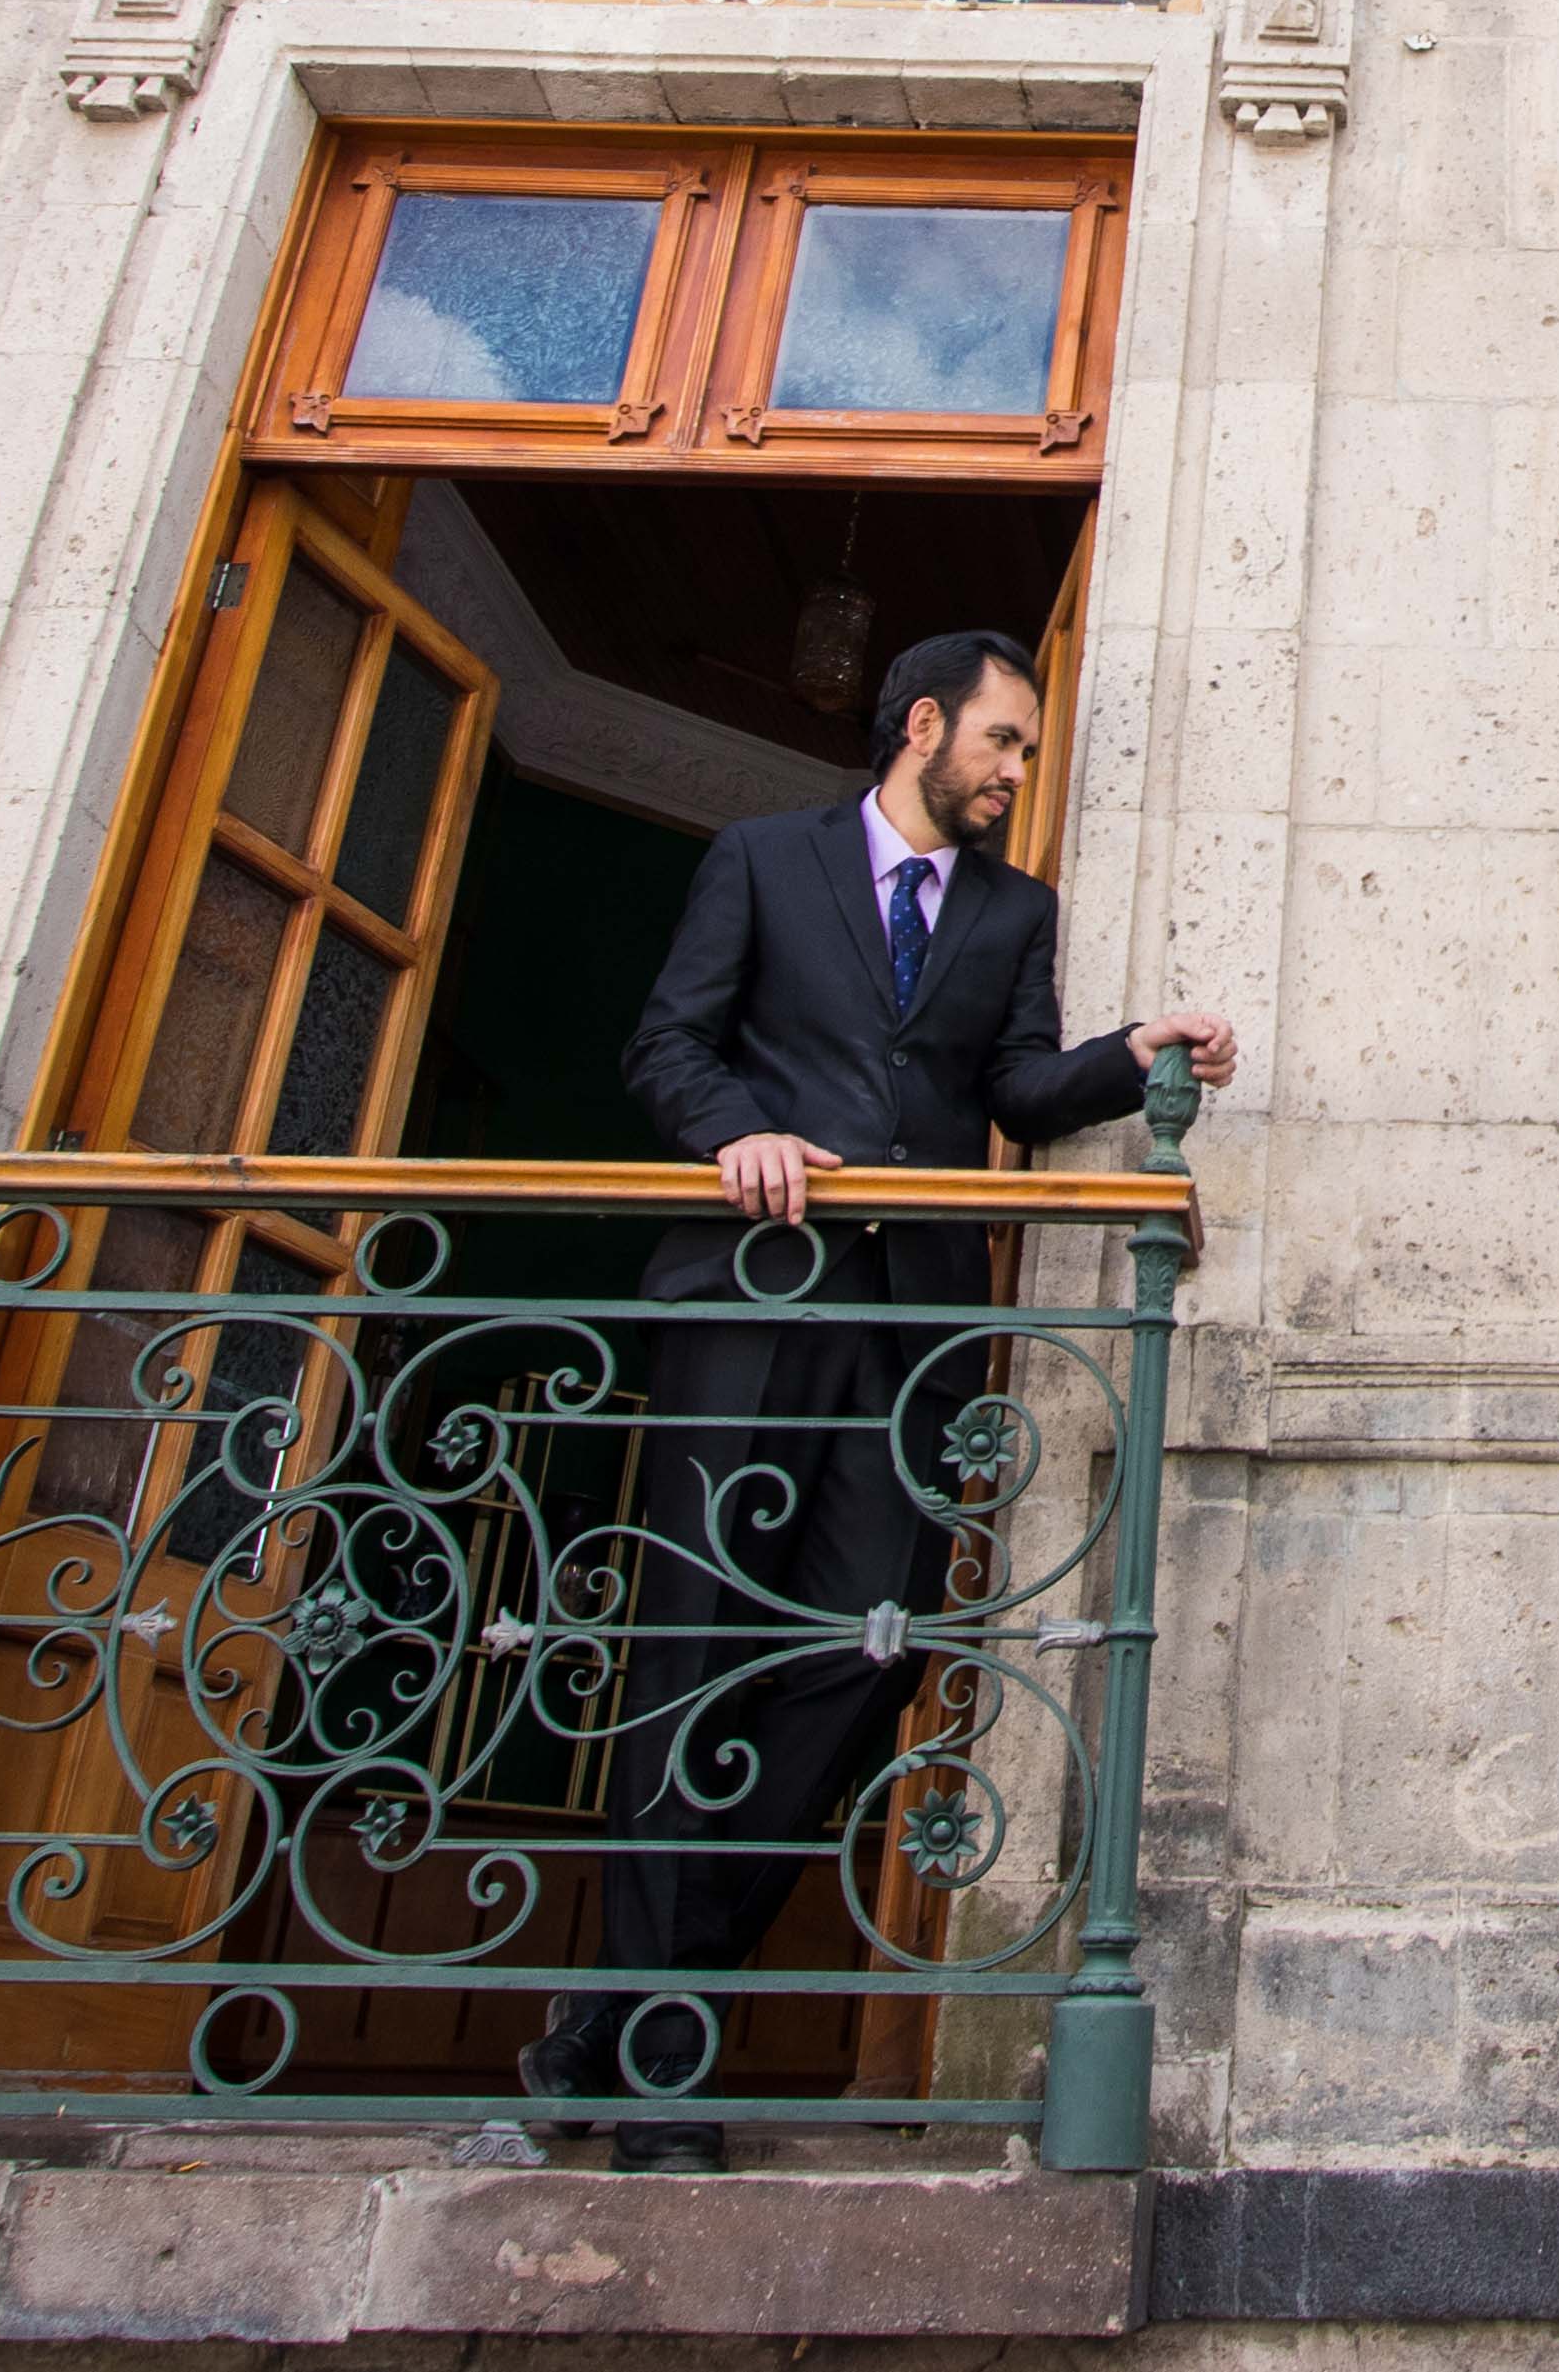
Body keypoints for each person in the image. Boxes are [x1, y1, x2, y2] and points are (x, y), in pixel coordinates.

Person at [533, 626, 1236, 2173]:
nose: (1015, 770)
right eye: (1003, 740)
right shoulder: (759, 856)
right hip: (750, 1296)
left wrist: (1132, 1051)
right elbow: (667, 1041)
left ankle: (625, 1998)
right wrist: (736, 1129)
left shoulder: (1011, 908)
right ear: (923, 724)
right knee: (690, 1653)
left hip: (912, 1321)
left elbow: (1015, 1092)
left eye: (1024, 750)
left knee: (875, 1641)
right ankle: (660, 2067)